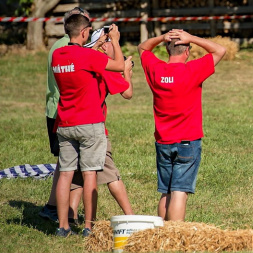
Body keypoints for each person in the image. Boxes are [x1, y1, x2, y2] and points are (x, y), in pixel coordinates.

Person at [138, 30, 226, 221]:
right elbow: (220, 50)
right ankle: (175, 234)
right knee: (179, 191)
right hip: (187, 141)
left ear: (167, 51)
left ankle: (161, 234)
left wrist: (162, 38)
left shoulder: (156, 69)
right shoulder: (192, 70)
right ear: (186, 51)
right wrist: (192, 37)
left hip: (163, 141)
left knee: (166, 192)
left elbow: (143, 47)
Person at [51, 14, 125, 236]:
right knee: (89, 174)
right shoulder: (86, 56)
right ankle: (88, 226)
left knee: (65, 174)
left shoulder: (56, 55)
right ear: (84, 32)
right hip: (89, 123)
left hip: (65, 123)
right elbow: (119, 65)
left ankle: (62, 226)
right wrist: (116, 41)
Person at [67, 28, 135, 222]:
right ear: (105, 45)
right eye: (114, 42)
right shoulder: (102, 64)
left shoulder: (85, 57)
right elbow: (127, 93)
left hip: (71, 123)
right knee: (110, 173)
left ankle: (71, 216)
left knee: (78, 174)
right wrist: (126, 72)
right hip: (93, 127)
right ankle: (130, 217)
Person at [40, 7, 90, 224]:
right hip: (67, 112)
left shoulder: (57, 45)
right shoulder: (69, 48)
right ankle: (60, 210)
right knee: (70, 165)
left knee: (65, 163)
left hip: (56, 110)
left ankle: (59, 209)